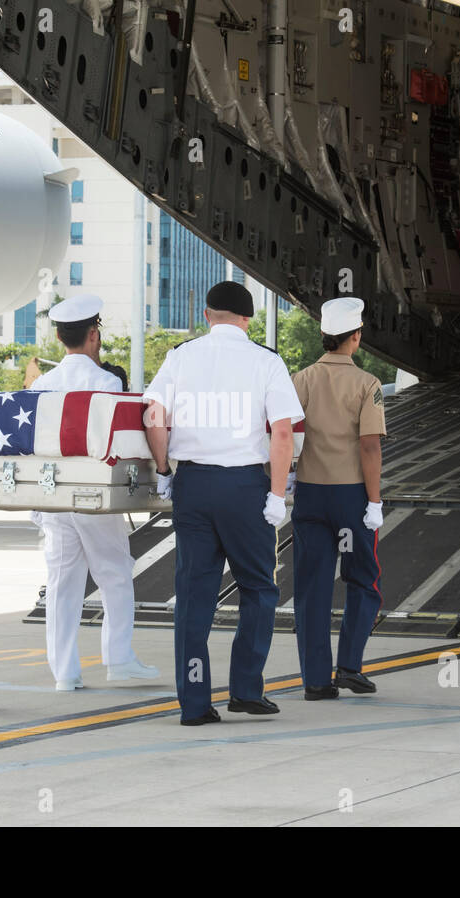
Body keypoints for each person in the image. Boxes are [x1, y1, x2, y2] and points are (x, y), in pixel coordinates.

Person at [143, 281, 304, 726]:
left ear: (209, 314)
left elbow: (153, 416)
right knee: (258, 589)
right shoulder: (266, 362)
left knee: (195, 597)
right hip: (245, 490)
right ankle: (246, 690)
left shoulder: (180, 356)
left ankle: (194, 704)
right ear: (248, 320)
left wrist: (164, 471)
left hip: (193, 485)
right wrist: (276, 495)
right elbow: (284, 434)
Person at [30, 293, 160, 690]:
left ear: (57, 337)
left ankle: (64, 673)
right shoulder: (106, 381)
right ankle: (118, 659)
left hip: (54, 494)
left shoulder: (42, 384)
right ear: (94, 335)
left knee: (61, 585)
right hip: (95, 493)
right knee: (115, 574)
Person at [289, 297, 386, 700]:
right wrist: (375, 501)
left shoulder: (300, 380)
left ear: (325, 336)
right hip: (350, 497)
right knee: (363, 581)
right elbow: (369, 447)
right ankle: (348, 666)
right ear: (356, 337)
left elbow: (286, 437)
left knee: (312, 589)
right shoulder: (368, 385)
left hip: (310, 496)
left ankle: (315, 680)